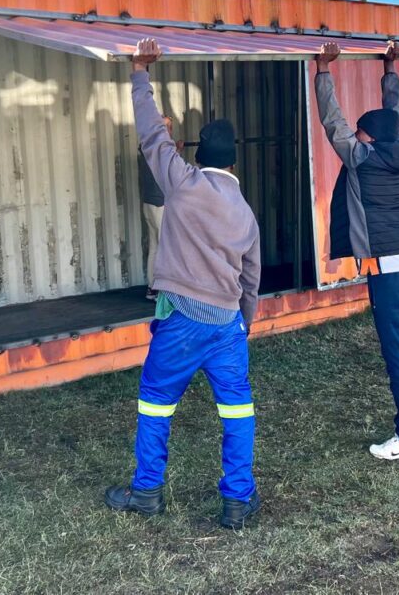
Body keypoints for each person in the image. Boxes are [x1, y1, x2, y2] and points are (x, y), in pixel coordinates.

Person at [105, 38, 262, 529]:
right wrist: (245, 324)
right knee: (237, 412)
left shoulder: (183, 182)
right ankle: (237, 501)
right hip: (227, 326)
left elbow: (153, 135)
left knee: (156, 403)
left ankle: (147, 492)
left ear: (200, 155)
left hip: (180, 320)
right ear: (235, 164)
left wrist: (139, 72)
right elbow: (251, 281)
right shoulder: (247, 213)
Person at [315, 40, 399, 461]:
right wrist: (390, 70)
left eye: (360, 131)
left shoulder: (361, 157)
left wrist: (323, 72)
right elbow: (398, 115)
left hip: (387, 268)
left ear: (369, 137)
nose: (354, 134)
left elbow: (331, 121)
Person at [138, 115, 178, 300]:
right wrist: (176, 149)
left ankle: (152, 288)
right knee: (165, 247)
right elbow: (171, 167)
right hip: (159, 203)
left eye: (170, 127)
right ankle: (166, 291)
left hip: (148, 203)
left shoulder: (146, 146)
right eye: (166, 127)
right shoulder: (161, 148)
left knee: (155, 246)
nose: (169, 131)